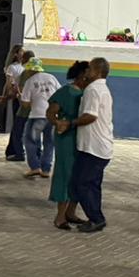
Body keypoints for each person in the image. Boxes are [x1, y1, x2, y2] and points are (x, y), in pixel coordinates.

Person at [70, 57, 114, 233]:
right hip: (100, 146)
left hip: (93, 147)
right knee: (93, 185)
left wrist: (70, 123)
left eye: (89, 68)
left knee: (82, 183)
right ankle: (96, 217)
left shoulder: (93, 89)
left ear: (97, 72)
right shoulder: (102, 89)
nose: (86, 71)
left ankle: (96, 218)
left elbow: (90, 115)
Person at [46, 61, 91, 229]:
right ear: (81, 75)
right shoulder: (65, 92)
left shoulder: (89, 92)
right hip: (66, 138)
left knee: (79, 175)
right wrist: (58, 123)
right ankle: (60, 216)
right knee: (66, 174)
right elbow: (51, 112)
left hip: (82, 138)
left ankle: (71, 212)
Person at [20, 59, 59, 179]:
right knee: (49, 143)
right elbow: (60, 94)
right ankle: (46, 170)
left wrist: (24, 99)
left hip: (36, 115)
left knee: (30, 140)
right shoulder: (52, 78)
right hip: (51, 116)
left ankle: (35, 167)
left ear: (30, 70)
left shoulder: (30, 81)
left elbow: (25, 103)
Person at [2, 45, 27, 162]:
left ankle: (14, 149)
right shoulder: (12, 67)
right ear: (16, 54)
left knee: (20, 126)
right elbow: (8, 84)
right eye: (21, 51)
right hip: (17, 98)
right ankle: (14, 150)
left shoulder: (24, 67)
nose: (23, 53)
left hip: (24, 98)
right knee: (17, 125)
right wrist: (5, 96)